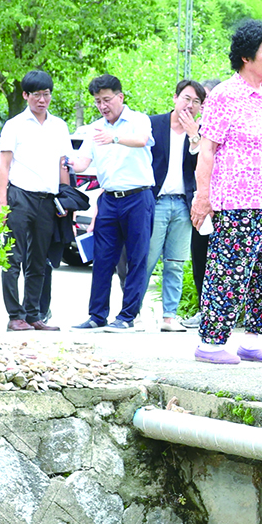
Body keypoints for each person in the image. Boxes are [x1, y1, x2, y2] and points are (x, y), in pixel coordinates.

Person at [190, 20, 262, 365]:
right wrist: (203, 196)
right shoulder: (225, 95)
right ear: (247, 56)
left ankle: (253, 340)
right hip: (237, 201)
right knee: (228, 271)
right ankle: (210, 343)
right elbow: (207, 150)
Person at [68, 75, 156, 332]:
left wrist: (114, 137)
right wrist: (63, 159)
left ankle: (127, 316)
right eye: (97, 101)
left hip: (138, 198)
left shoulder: (139, 120)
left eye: (106, 99)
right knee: (102, 258)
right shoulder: (95, 129)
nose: (102, 106)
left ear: (120, 97)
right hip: (108, 199)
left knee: (136, 258)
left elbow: (142, 140)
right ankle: (97, 315)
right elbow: (82, 163)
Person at [0, 70, 72, 332]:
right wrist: (2, 203)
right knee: (13, 258)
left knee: (40, 260)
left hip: (47, 199)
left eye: (46, 94)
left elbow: (63, 165)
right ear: (26, 95)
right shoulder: (14, 125)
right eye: (37, 95)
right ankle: (14, 316)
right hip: (20, 196)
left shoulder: (59, 126)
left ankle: (33, 314)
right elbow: (4, 166)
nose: (42, 100)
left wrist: (66, 199)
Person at [147, 79, 205, 332]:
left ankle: (169, 316)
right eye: (186, 98)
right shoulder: (153, 124)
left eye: (196, 102)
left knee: (175, 262)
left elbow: (203, 166)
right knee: (146, 259)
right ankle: (132, 312)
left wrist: (194, 137)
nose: (190, 105)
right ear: (175, 98)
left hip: (183, 204)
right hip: (156, 201)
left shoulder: (201, 132)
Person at [182, 76, 226, 330]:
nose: (206, 105)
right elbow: (192, 167)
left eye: (208, 99)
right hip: (201, 204)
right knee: (200, 257)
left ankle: (224, 312)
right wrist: (193, 136)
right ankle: (204, 310)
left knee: (224, 262)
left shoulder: (225, 125)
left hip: (226, 204)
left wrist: (195, 136)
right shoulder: (196, 128)